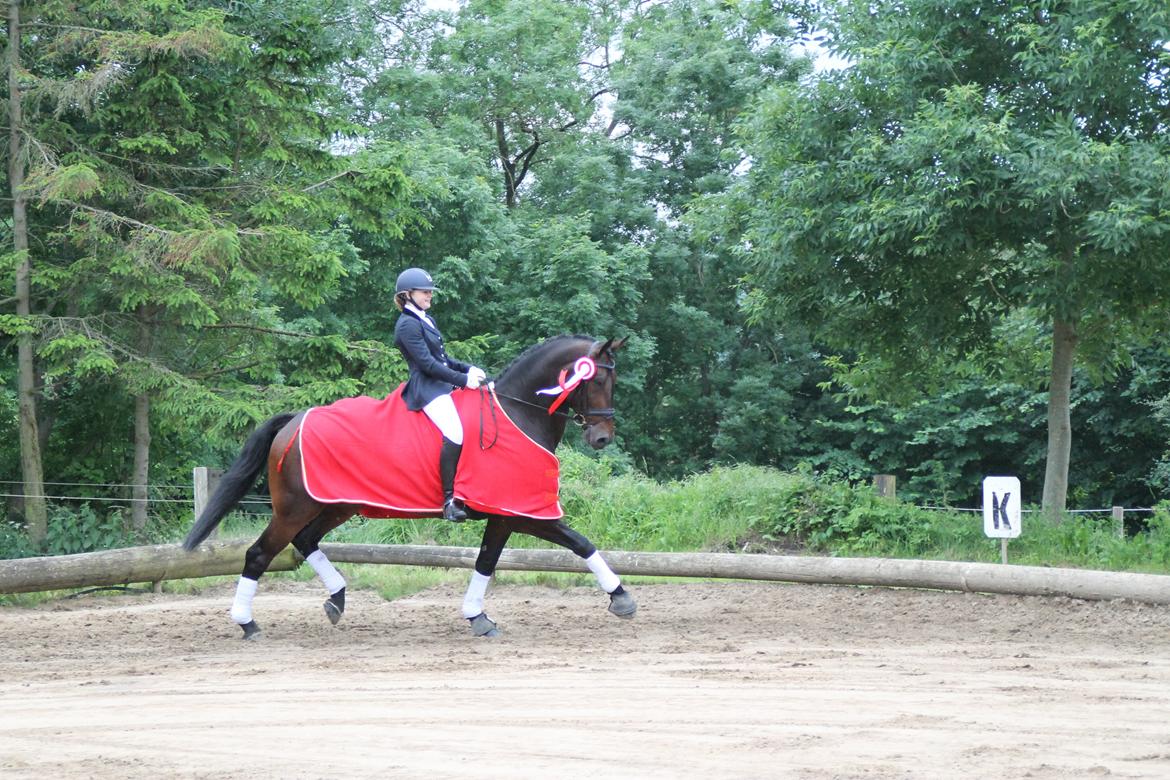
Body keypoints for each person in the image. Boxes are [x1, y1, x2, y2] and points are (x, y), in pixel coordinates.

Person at [393, 267, 486, 522]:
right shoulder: (407, 325)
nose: (429, 296)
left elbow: (443, 359)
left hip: (441, 383)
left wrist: (468, 368)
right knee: (455, 432)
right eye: (425, 292)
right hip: (427, 388)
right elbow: (428, 365)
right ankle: (448, 500)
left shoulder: (426, 318)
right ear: (407, 294)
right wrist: (463, 381)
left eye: (430, 292)